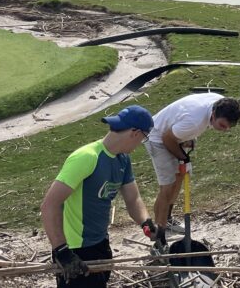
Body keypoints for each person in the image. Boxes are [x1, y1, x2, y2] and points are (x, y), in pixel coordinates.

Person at [41, 105, 156, 288]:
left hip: (100, 243)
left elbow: (133, 199)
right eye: (144, 138)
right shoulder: (86, 157)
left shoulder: (122, 159)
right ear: (135, 133)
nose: (141, 143)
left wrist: (146, 222)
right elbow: (50, 205)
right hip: (74, 251)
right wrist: (62, 251)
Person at [146, 94, 240, 246]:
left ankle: (167, 220)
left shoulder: (221, 104)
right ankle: (159, 237)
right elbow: (167, 138)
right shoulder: (194, 122)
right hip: (156, 136)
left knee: (181, 175)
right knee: (167, 186)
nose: (225, 130)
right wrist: (183, 157)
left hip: (175, 132)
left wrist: (185, 143)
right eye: (223, 126)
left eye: (229, 127)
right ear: (214, 114)